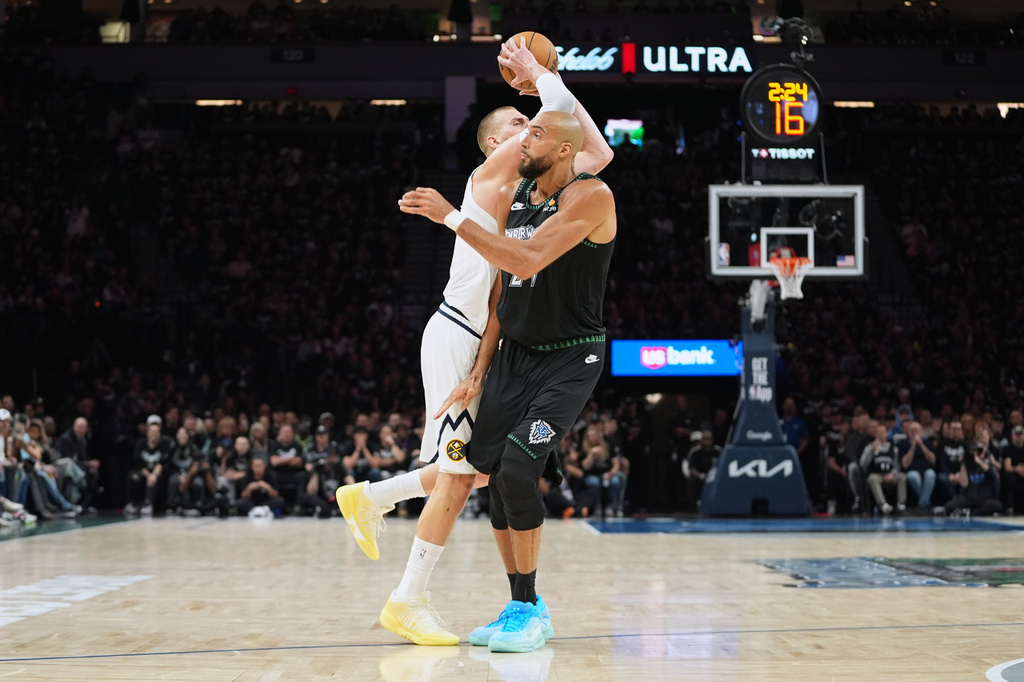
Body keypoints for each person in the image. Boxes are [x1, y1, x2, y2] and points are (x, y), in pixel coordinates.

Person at [336, 38, 612, 647]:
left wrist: (545, 80)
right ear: (497, 145)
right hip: (459, 333)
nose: (532, 124)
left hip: (486, 336)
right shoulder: (492, 174)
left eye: (535, 124)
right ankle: (408, 599)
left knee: (481, 472)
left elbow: (592, 147)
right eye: (521, 125)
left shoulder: (539, 189)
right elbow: (569, 129)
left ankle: (373, 496)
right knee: (461, 476)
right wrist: (542, 76)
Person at [399, 103, 616, 652]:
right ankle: (520, 603)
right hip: (513, 355)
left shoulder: (591, 196)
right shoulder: (518, 197)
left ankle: (527, 607)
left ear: (562, 150)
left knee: (519, 469)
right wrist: (478, 370)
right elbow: (502, 293)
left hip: (570, 356)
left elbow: (527, 262)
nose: (523, 140)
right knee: (488, 471)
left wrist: (451, 217)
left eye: (534, 131)